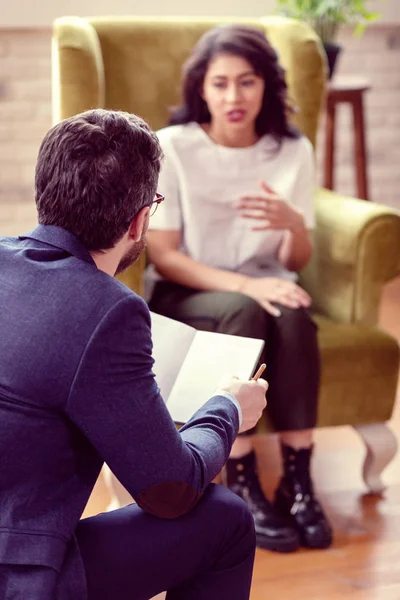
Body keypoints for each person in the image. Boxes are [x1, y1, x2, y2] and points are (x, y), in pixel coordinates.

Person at [0, 109, 269, 600]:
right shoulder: (110, 310)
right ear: (141, 217)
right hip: (15, 579)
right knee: (224, 520)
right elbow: (171, 491)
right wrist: (228, 408)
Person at [146, 24, 333, 553]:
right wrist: (248, 286)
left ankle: (299, 480)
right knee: (242, 313)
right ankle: (243, 473)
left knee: (297, 318)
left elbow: (294, 260)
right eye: (220, 83)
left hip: (266, 286)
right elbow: (165, 256)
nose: (234, 97)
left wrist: (294, 223)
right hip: (191, 289)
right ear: (201, 89)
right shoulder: (173, 147)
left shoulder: (292, 150)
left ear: (266, 87)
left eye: (247, 82)